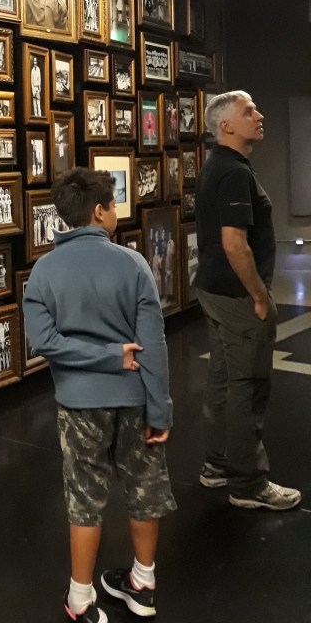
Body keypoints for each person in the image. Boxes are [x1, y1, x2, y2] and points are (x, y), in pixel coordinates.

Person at [23, 167, 175, 623]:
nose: (115, 212)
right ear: (98, 211)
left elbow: (44, 342)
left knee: (84, 500)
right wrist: (160, 409)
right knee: (143, 490)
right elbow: (154, 345)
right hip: (135, 399)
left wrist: (102, 356)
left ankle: (80, 599)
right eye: (112, 205)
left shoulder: (43, 271)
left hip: (78, 404)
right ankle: (142, 584)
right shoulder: (133, 264)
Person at [195, 91, 301, 510]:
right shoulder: (233, 172)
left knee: (223, 380)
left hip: (214, 288)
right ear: (226, 126)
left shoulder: (218, 166)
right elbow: (234, 243)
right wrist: (259, 295)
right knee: (248, 385)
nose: (259, 116)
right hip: (236, 294)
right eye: (249, 111)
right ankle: (248, 483)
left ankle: (218, 465)